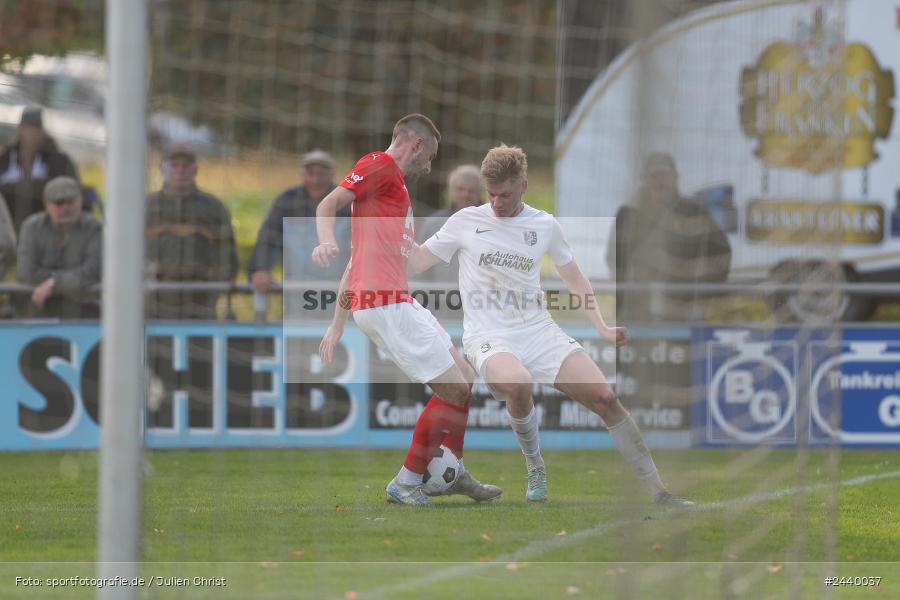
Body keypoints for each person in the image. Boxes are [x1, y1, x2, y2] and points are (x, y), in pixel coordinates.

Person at [409, 144, 693, 507]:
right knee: (519, 383)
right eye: (491, 194)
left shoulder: (544, 225)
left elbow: (574, 278)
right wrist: (392, 240)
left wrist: (603, 326)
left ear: (524, 186)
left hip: (539, 331)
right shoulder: (466, 221)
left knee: (606, 398)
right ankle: (535, 466)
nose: (496, 202)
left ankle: (660, 491)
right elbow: (417, 262)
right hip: (488, 336)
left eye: (505, 195)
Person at [313, 114, 500, 506]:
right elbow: (328, 204)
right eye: (429, 156)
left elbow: (372, 262)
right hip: (384, 304)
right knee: (454, 388)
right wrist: (324, 240)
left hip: (396, 299)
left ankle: (452, 469)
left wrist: (336, 325)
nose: (429, 166)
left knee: (465, 377)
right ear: (415, 145)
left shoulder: (392, 191)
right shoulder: (378, 165)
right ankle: (407, 481)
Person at [608, 152, 731, 322]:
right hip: (639, 321)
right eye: (653, 176)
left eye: (664, 175)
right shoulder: (628, 216)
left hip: (686, 323)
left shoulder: (696, 211)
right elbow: (616, 264)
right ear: (644, 181)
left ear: (675, 177)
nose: (660, 181)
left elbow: (722, 258)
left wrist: (692, 289)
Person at [145, 145, 238, 320]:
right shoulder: (146, 206)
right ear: (163, 169)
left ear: (195, 170)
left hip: (200, 302)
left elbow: (228, 255)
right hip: (153, 302)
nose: (180, 171)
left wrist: (221, 282)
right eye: (174, 165)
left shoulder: (214, 207)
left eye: (186, 166)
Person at [247, 149, 350, 295]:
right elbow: (269, 237)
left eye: (321, 174)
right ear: (302, 175)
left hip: (341, 288)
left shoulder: (346, 201)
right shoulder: (287, 200)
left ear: (332, 175)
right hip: (296, 291)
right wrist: (260, 269)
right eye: (310, 174)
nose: (315, 180)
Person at [16, 176, 101, 318]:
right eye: (59, 203)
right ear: (46, 204)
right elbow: (25, 272)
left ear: (80, 200)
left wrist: (53, 284)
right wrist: (72, 283)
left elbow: (94, 269)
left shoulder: (94, 227)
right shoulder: (31, 227)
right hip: (39, 313)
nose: (66, 208)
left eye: (71, 201)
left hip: (85, 314)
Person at [0, 107, 80, 232]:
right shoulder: (5, 158)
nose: (33, 132)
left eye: (37, 128)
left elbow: (69, 191)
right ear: (20, 129)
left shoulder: (59, 161)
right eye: (29, 127)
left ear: (42, 131)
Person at [416, 164, 484, 284]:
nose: (466, 194)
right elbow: (421, 267)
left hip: (480, 298)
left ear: (481, 193)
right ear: (451, 191)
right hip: (442, 298)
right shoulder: (434, 223)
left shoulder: (493, 222)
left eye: (472, 190)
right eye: (460, 189)